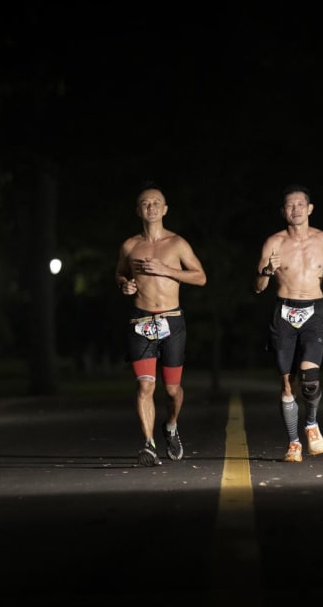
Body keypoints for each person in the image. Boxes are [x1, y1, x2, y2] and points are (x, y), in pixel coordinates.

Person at [115, 182, 207, 467]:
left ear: (165, 209)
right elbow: (120, 274)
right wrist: (125, 285)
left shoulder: (177, 243)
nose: (151, 207)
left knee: (170, 390)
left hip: (172, 320)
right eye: (145, 203)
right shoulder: (130, 245)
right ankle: (149, 444)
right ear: (138, 210)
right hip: (140, 321)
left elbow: (201, 277)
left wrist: (167, 270)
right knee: (144, 387)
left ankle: (171, 426)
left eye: (156, 202)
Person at [253, 183, 323, 462]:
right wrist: (268, 270)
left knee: (310, 381)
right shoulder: (273, 242)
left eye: (300, 205)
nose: (296, 209)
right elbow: (258, 286)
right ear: (283, 211)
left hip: (313, 311)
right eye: (290, 206)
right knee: (287, 384)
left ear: (310, 208)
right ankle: (293, 443)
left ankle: (311, 424)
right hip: (284, 311)